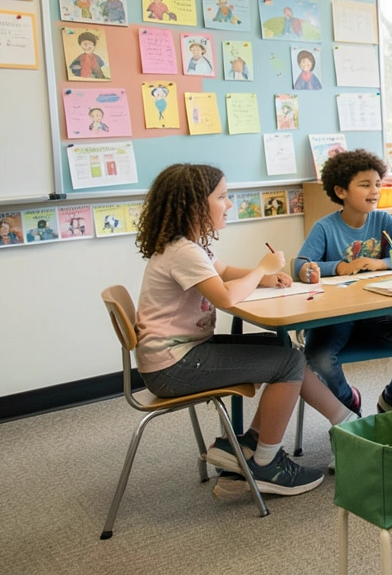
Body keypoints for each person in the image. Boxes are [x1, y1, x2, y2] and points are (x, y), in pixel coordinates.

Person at [133, 163, 341, 494]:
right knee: (288, 365)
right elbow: (227, 297)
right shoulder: (183, 252)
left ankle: (252, 444)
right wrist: (261, 270)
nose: (229, 204)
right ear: (196, 205)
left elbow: (225, 271)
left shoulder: (189, 245)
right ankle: (266, 465)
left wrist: (267, 277)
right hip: (173, 366)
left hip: (178, 355)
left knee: (284, 352)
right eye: (223, 197)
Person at [294, 149, 392, 419]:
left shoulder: (383, 220)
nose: (374, 191)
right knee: (320, 357)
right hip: (335, 316)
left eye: (378, 184)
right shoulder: (325, 228)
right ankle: (349, 403)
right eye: (365, 185)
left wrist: (380, 263)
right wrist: (339, 267)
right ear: (340, 191)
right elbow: (300, 266)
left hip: (376, 312)